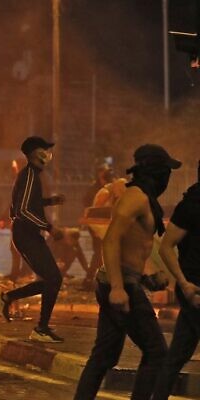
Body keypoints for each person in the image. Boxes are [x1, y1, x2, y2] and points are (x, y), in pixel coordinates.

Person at [73, 144, 180, 400]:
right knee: (157, 352)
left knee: (104, 356)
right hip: (121, 284)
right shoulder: (136, 198)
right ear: (155, 171)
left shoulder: (144, 199)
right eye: (165, 171)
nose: (167, 177)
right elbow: (111, 240)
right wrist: (118, 287)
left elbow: (131, 247)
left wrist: (147, 276)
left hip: (126, 280)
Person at [0, 136, 66, 343]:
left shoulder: (32, 175)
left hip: (29, 234)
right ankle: (41, 329)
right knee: (53, 279)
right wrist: (49, 227)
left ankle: (7, 298)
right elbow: (23, 210)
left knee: (51, 280)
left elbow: (29, 203)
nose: (49, 154)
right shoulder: (28, 175)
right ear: (36, 153)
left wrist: (50, 201)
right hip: (26, 234)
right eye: (45, 149)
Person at [151, 162, 200, 400]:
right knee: (176, 355)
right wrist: (184, 283)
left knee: (178, 354)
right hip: (195, 287)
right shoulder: (192, 204)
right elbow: (166, 247)